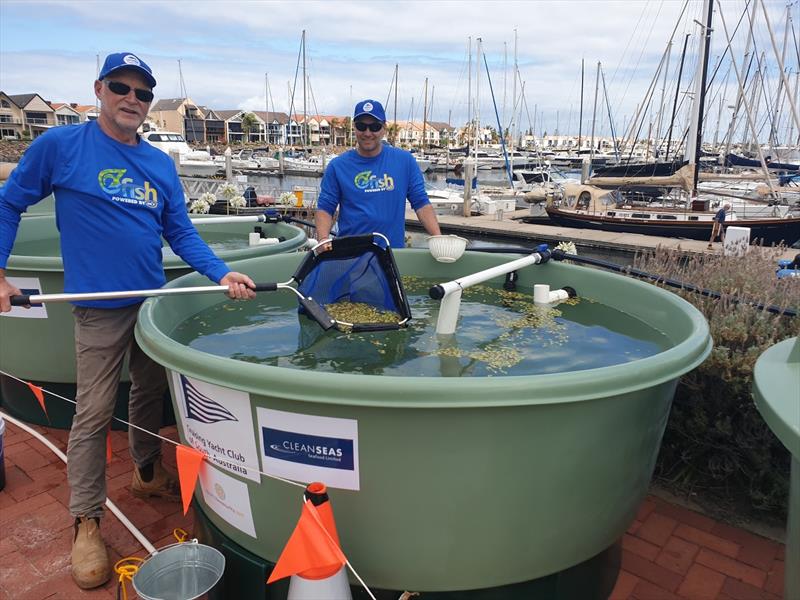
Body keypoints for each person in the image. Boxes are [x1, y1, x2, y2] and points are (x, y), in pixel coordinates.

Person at [0, 52, 256, 590]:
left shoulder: (161, 164)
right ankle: (86, 520)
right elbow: (9, 204)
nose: (132, 100)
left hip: (150, 302)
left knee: (148, 390)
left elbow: (180, 233)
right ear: (99, 89)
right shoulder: (59, 147)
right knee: (92, 413)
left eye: (142, 94)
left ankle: (145, 472)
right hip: (96, 308)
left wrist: (222, 271)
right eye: (122, 87)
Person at [315, 99, 441, 246]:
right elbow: (325, 207)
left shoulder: (405, 161)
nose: (368, 133)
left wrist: (438, 239)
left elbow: (421, 203)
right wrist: (323, 239)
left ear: (383, 129)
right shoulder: (337, 166)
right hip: (351, 256)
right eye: (362, 126)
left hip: (391, 256)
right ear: (354, 128)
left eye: (374, 127)